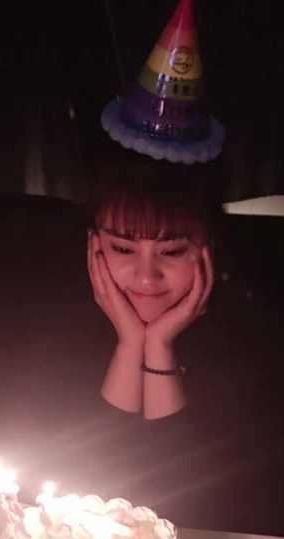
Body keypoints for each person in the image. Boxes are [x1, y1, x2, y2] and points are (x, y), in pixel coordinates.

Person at [86, 161, 220, 420]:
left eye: (172, 252)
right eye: (123, 249)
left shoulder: (247, 344)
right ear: (94, 245)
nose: (146, 277)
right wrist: (130, 344)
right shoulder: (47, 330)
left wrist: (160, 345)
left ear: (209, 250)